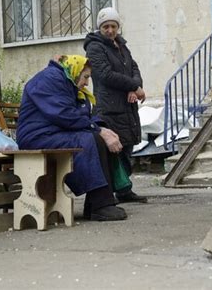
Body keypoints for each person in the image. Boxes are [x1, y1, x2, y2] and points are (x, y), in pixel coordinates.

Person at [16, 54, 128, 221]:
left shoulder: (66, 82)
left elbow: (80, 114)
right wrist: (97, 130)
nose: (87, 83)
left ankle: (96, 204)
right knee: (91, 140)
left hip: (52, 132)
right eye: (86, 77)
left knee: (99, 137)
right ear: (76, 71)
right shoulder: (51, 78)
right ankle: (101, 204)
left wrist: (102, 128)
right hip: (37, 136)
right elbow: (63, 114)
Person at [84, 7, 148, 204]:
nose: (110, 30)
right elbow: (105, 75)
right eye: (105, 27)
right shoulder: (95, 47)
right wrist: (133, 85)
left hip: (126, 106)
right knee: (114, 151)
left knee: (127, 147)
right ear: (99, 28)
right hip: (108, 106)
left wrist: (134, 87)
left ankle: (124, 189)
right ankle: (109, 192)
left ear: (118, 27)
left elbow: (133, 67)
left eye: (113, 26)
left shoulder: (121, 46)